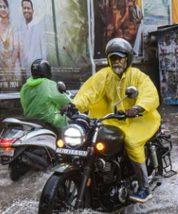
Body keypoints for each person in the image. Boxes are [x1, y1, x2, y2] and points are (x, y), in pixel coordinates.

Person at [72, 37, 161, 203]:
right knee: (90, 138)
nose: (116, 62)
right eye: (113, 58)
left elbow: (149, 93)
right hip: (114, 119)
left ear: (127, 58)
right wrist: (73, 106)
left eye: (120, 58)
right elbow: (89, 93)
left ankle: (144, 188)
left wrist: (138, 107)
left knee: (132, 142)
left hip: (141, 118)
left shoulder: (137, 75)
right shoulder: (104, 76)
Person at [20, 59, 71, 130]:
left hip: (31, 122)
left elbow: (23, 103)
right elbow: (64, 101)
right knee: (68, 124)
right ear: (47, 70)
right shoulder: (48, 84)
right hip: (50, 122)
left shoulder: (25, 86)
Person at [17, 0, 47, 76]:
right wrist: (22, 68)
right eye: (24, 8)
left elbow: (44, 49)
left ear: (33, 10)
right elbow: (21, 51)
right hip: (26, 71)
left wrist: (43, 67)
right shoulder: (20, 28)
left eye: (28, 8)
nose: (26, 10)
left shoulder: (39, 26)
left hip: (39, 70)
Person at [0, 0, 19, 81]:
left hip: (14, 65)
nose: (3, 9)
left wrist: (11, 65)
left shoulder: (13, 25)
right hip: (1, 65)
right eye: (0, 7)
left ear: (8, 8)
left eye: (4, 6)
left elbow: (17, 47)